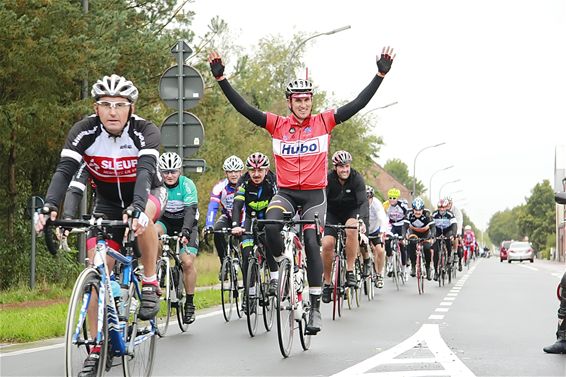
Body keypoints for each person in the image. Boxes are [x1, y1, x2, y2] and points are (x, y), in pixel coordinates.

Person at [208, 46, 395, 335]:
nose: (304, 104)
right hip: (285, 192)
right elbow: (244, 109)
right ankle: (277, 273)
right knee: (269, 223)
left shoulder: (324, 122)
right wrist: (222, 80)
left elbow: (357, 103)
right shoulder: (277, 125)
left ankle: (316, 308)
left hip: (313, 195)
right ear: (289, 102)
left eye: (307, 100)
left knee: (310, 240)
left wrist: (380, 74)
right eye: (298, 100)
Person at [35, 74, 166, 376]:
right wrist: (51, 206)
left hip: (146, 193)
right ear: (96, 108)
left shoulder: (145, 131)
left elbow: (146, 173)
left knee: (142, 217)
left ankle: (148, 280)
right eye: (105, 105)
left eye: (120, 105)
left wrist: (136, 207)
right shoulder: (84, 132)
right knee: (96, 268)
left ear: (131, 108)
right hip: (106, 203)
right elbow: (65, 171)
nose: (112, 111)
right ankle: (96, 344)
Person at [231, 152, 278, 312]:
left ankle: (274, 279)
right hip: (250, 220)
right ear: (248, 171)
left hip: (270, 217)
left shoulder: (273, 181)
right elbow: (237, 206)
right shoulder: (243, 183)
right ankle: (249, 295)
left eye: (260, 170)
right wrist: (236, 225)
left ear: (267, 170)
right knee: (246, 254)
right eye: (252, 171)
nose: (256, 174)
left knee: (270, 242)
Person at [155, 152, 199, 325]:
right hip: (165, 221)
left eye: (173, 171)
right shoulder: (157, 185)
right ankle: (159, 266)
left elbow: (190, 211)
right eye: (165, 171)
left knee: (187, 262)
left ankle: (189, 302)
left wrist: (186, 232)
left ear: (179, 171)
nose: (169, 175)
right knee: (153, 233)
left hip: (186, 223)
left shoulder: (187, 185)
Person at [321, 151, 368, 303]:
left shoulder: (357, 178)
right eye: (341, 167)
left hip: (350, 211)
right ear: (335, 167)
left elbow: (363, 203)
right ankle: (327, 283)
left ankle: (350, 270)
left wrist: (362, 222)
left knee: (351, 228)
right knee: (327, 244)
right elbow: (321, 200)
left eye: (347, 166)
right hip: (332, 213)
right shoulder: (328, 178)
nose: (344, 170)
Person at [204, 155, 244, 276]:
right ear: (226, 173)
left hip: (244, 216)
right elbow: (213, 207)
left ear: (241, 172)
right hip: (228, 216)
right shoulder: (219, 187)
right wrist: (208, 225)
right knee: (217, 230)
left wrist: (242, 225)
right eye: (230, 171)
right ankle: (224, 263)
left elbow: (247, 207)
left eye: (236, 171)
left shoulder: (246, 185)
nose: (234, 174)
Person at [404, 197, 435, 280]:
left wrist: (432, 236)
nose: (418, 212)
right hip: (414, 232)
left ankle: (428, 268)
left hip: (425, 233)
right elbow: (405, 226)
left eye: (420, 210)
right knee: (411, 244)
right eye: (416, 210)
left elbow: (433, 227)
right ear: (413, 209)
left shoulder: (427, 213)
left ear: (423, 209)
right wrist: (404, 236)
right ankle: (413, 266)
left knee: (427, 247)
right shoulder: (408, 213)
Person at [363, 185, 387, 288]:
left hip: (375, 231)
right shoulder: (358, 203)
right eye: (365, 198)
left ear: (372, 197)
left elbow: (382, 218)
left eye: (369, 198)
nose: (367, 200)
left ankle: (379, 274)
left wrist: (382, 232)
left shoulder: (376, 204)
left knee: (380, 251)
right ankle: (362, 267)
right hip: (363, 231)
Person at [383, 187, 409, 278]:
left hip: (402, 225)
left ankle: (404, 268)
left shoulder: (403, 205)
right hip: (392, 225)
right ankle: (390, 261)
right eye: (390, 197)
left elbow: (408, 216)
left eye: (394, 198)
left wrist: (406, 231)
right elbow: (384, 219)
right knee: (387, 240)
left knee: (402, 245)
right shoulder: (385, 205)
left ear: (397, 198)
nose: (391, 200)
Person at [432, 198, 457, 280]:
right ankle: (436, 271)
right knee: (435, 251)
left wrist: (453, 234)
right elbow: (430, 225)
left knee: (448, 240)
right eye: (440, 207)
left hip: (447, 230)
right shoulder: (434, 214)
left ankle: (449, 256)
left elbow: (454, 225)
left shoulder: (450, 214)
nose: (442, 209)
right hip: (438, 231)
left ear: (447, 207)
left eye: (444, 207)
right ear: (438, 207)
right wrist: (431, 235)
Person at [446, 197, 464, 271]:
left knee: (458, 242)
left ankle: (457, 257)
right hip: (446, 229)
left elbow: (459, 223)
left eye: (449, 203)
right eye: (447, 203)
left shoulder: (456, 211)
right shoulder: (443, 209)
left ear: (451, 203)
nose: (448, 205)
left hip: (456, 227)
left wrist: (457, 234)